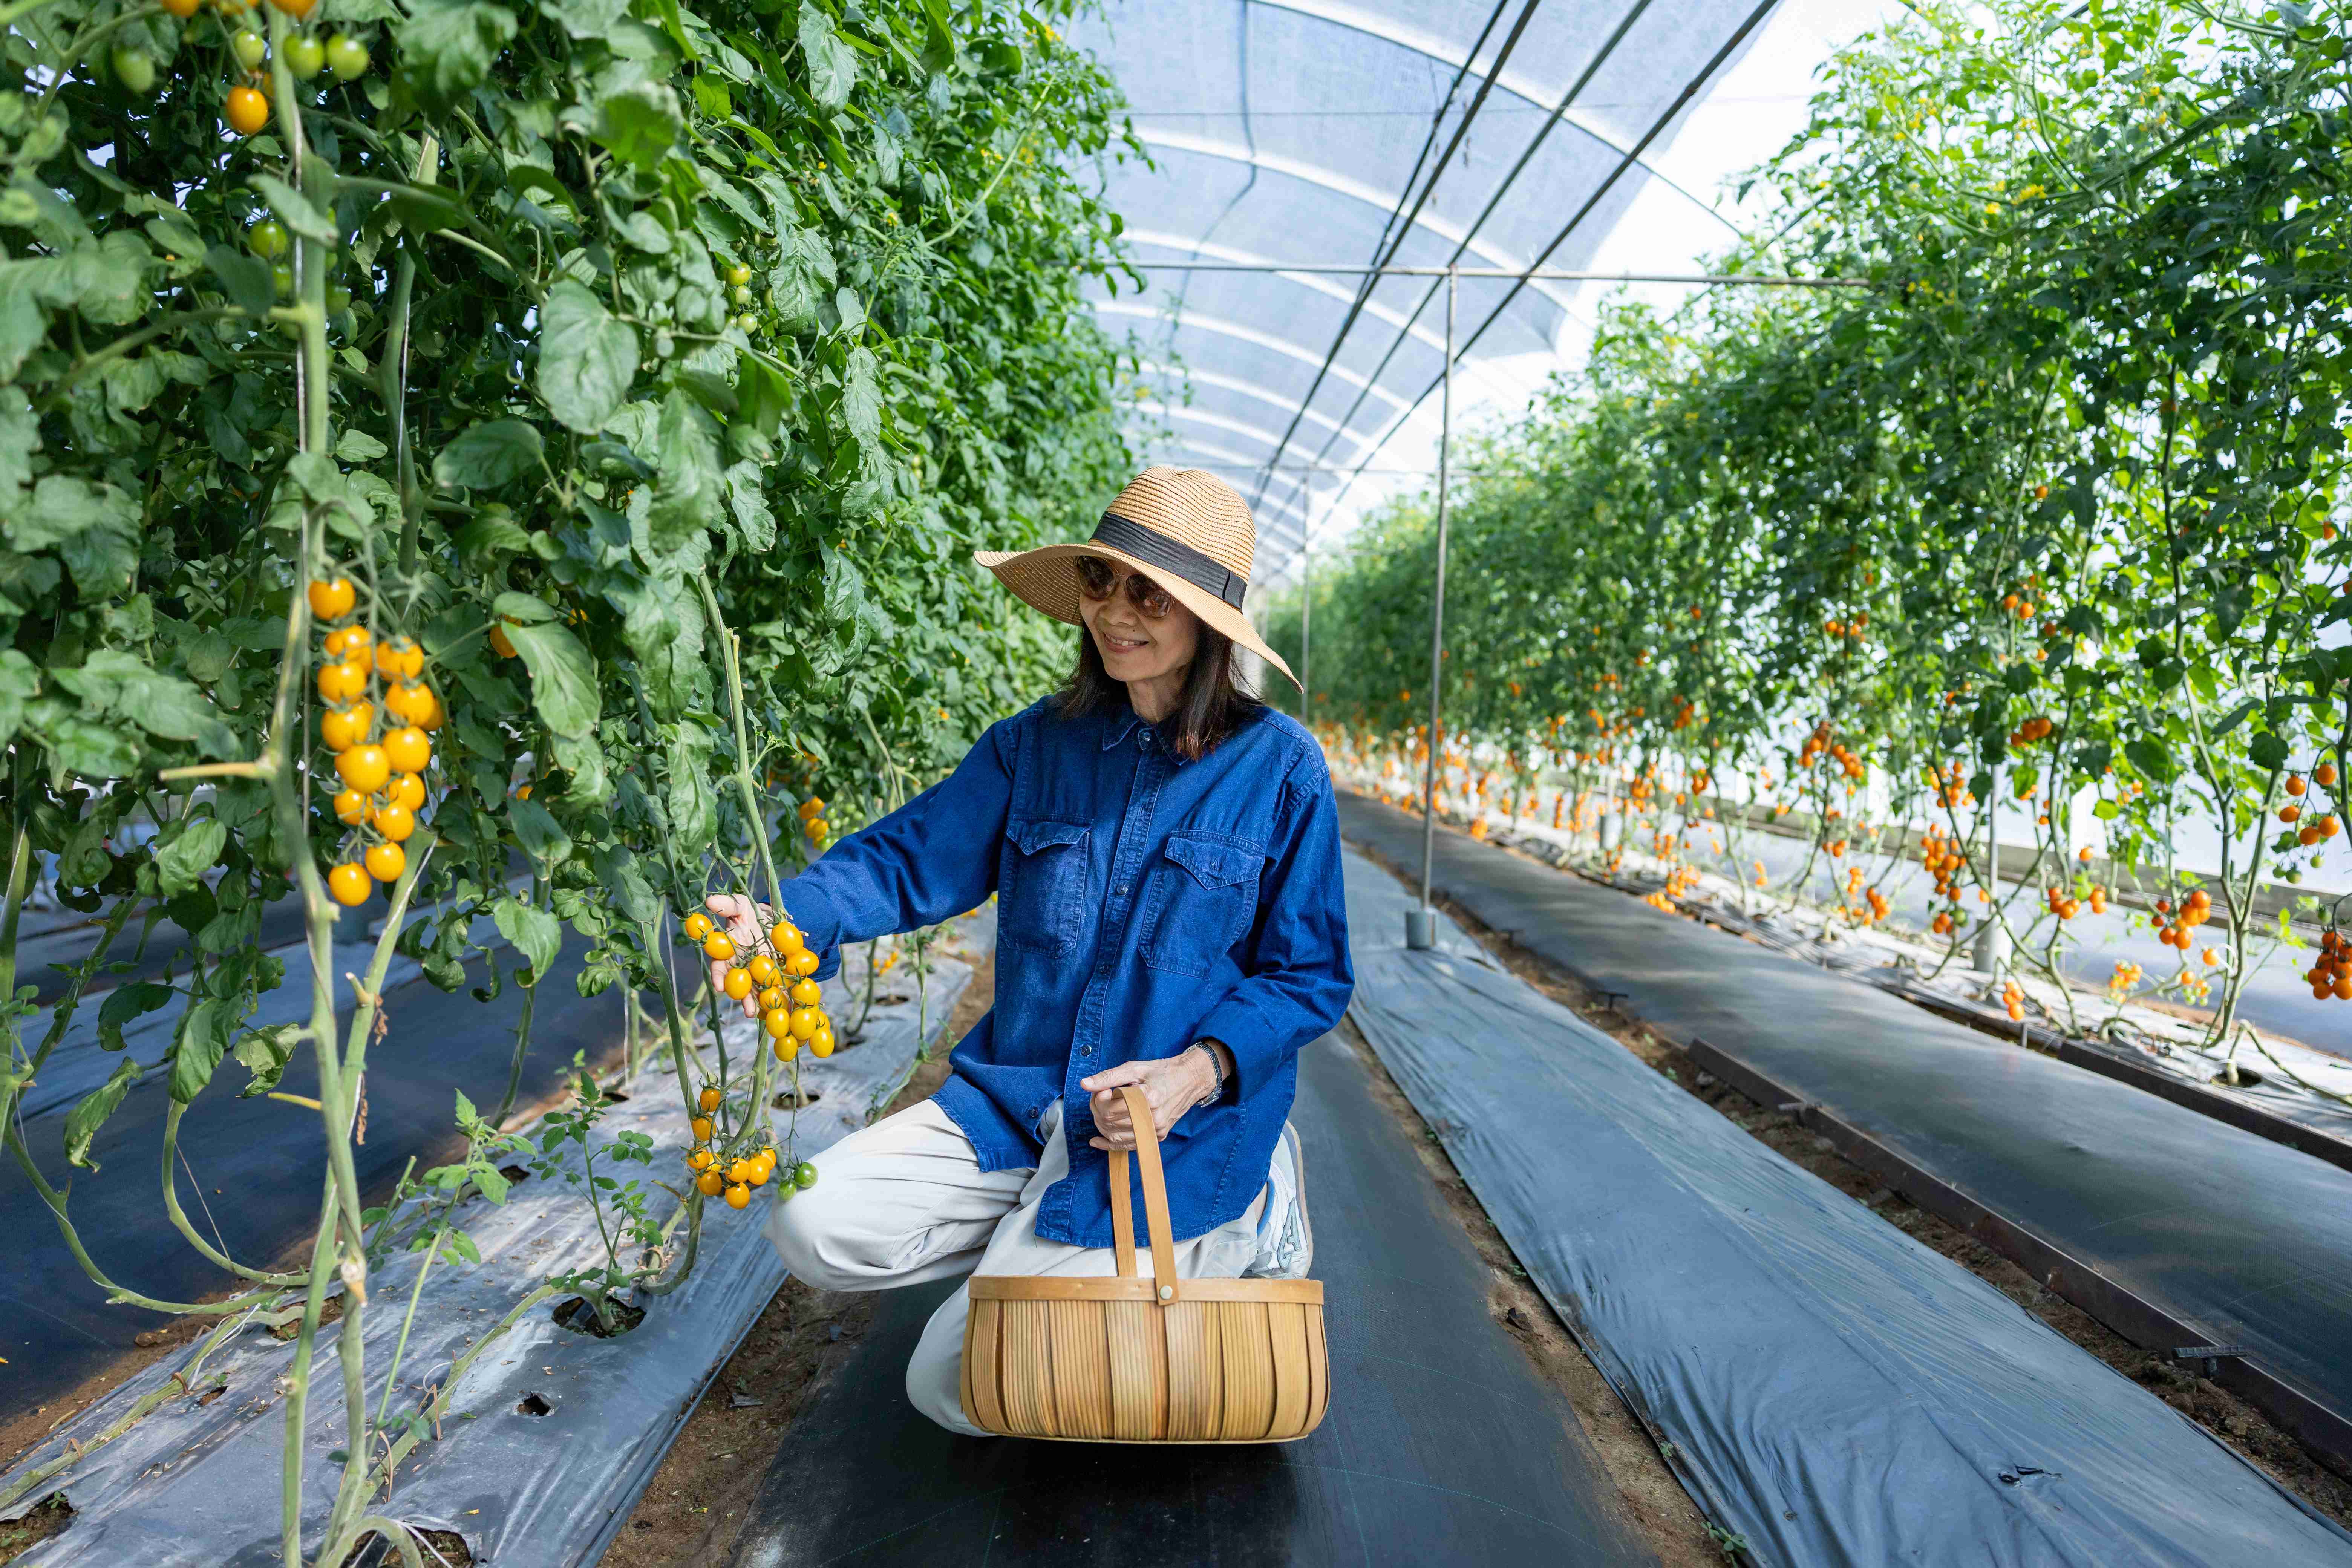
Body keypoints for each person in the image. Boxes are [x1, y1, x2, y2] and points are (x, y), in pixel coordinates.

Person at [700, 466, 1353, 1437]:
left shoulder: (1281, 769)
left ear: (1210, 617)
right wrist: (780, 918)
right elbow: (904, 861)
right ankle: (1032, 1246)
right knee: (811, 1223)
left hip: (1164, 1135)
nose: (1116, 614)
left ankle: (1252, 1211)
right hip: (1019, 1107)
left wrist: (1196, 1071)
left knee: (961, 1382)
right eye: (1101, 581)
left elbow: (1310, 975)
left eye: (1150, 593)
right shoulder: (1032, 749)